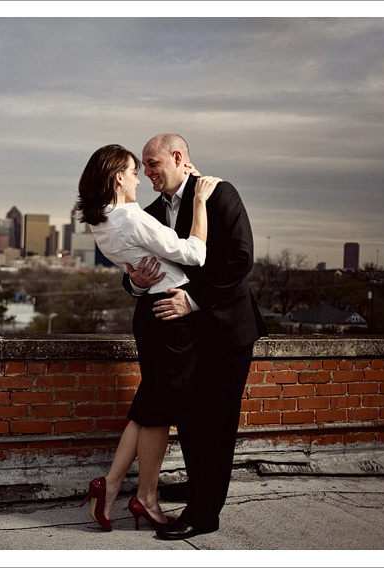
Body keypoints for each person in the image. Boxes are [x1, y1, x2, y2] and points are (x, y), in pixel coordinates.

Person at [125, 133, 267, 540]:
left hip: (226, 330)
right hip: (182, 338)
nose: (146, 172)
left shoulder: (219, 194)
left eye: (152, 164)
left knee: (216, 420)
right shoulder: (149, 213)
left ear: (177, 157)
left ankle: (204, 513)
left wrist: (193, 300)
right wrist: (135, 281)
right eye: (143, 167)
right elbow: (132, 271)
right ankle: (200, 485)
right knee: (188, 415)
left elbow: (240, 258)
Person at [74, 144, 221, 532]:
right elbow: (194, 254)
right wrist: (201, 200)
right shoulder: (130, 216)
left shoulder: (101, 222)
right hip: (171, 321)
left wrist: (137, 282)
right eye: (133, 172)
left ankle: (113, 486)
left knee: (150, 408)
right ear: (118, 177)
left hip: (151, 317)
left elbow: (137, 268)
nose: (140, 178)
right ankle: (140, 496)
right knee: (157, 410)